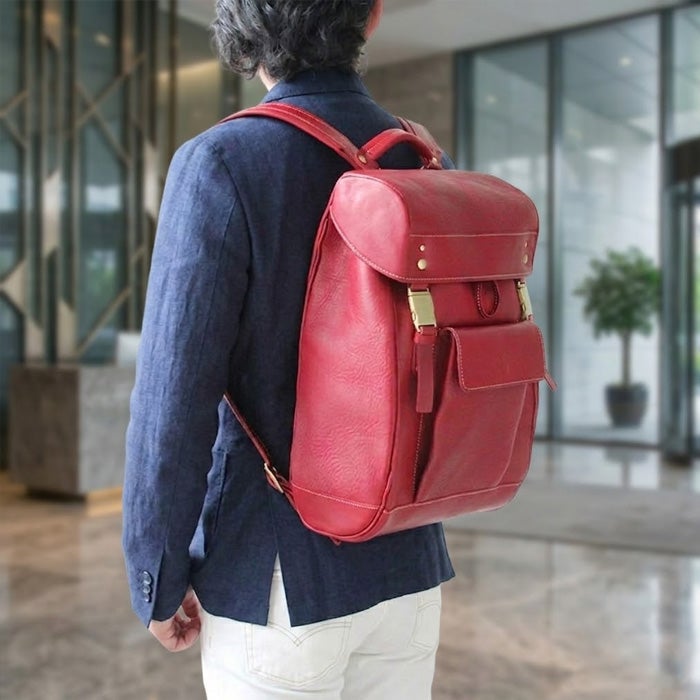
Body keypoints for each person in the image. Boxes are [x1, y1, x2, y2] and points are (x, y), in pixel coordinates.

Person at [121, 1, 454, 697]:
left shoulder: (221, 161)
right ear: (372, 16)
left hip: (276, 574)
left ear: (241, 28)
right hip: (408, 561)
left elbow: (173, 397)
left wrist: (157, 575)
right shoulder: (423, 159)